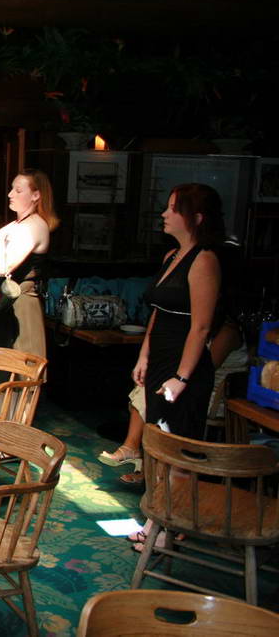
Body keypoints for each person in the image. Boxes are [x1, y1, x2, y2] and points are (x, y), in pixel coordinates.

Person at [101, 184, 228, 487]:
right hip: (159, 359)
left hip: (184, 365)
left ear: (197, 217)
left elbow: (201, 327)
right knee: (155, 444)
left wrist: (181, 378)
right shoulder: (171, 256)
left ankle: (174, 516)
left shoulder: (205, 260)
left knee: (177, 451)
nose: (164, 214)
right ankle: (156, 512)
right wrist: (143, 356)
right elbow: (158, 312)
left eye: (173, 208)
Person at [0, 169, 59, 360]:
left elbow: (4, 268)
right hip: (3, 303)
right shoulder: (18, 224)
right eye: (11, 188)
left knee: (20, 363)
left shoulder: (35, 225)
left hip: (19, 305)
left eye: (18, 190)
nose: (10, 194)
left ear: (36, 195)